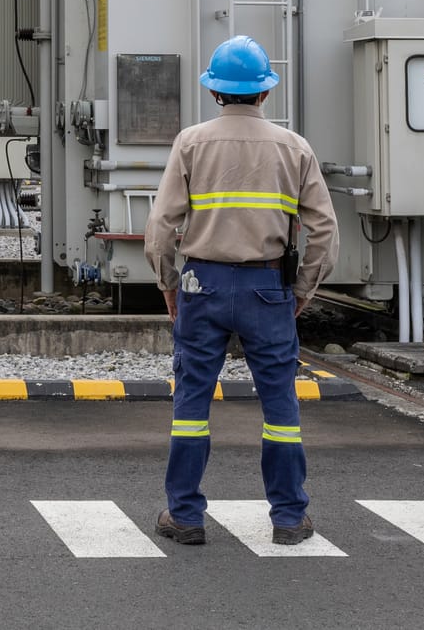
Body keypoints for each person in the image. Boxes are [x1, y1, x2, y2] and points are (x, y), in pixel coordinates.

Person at [143, 35, 337, 548]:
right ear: (264, 94)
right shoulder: (294, 147)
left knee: (191, 404)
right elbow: (325, 233)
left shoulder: (190, 142)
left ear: (214, 93)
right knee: (280, 409)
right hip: (267, 288)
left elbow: (162, 227)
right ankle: (289, 518)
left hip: (201, 285)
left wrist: (168, 284)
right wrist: (302, 290)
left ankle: (184, 515)